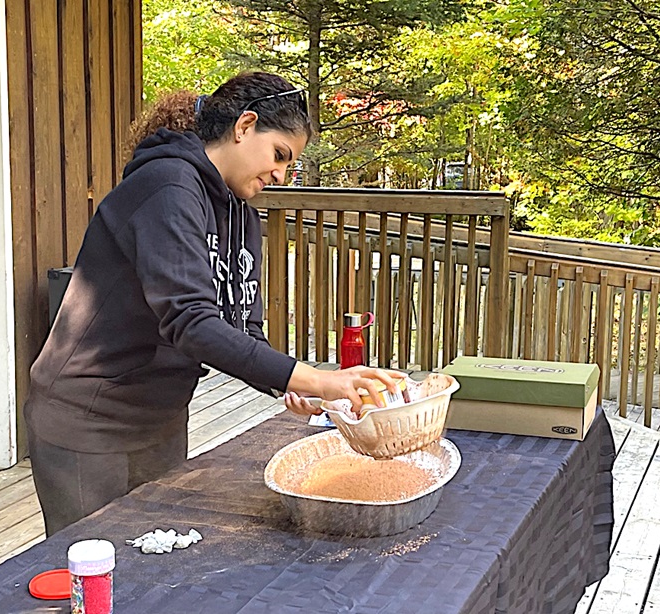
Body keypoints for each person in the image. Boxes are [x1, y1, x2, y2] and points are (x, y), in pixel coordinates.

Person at [24, 71, 402, 536]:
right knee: (90, 575)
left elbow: (243, 325)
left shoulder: (241, 215)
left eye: (291, 166)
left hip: (162, 416)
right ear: (244, 126)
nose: (281, 175)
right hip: (87, 418)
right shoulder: (166, 186)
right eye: (280, 154)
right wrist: (316, 376)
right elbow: (190, 321)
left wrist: (290, 387)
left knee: (154, 561)